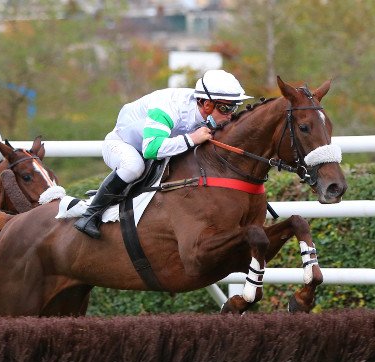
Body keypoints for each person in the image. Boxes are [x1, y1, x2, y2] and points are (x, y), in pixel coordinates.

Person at [74, 69, 253, 239]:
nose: (231, 115)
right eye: (226, 109)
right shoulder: (168, 108)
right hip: (124, 144)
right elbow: (151, 149)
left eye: (235, 108)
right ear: (207, 105)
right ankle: (90, 215)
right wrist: (191, 138)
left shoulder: (206, 111)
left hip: (158, 146)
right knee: (133, 166)